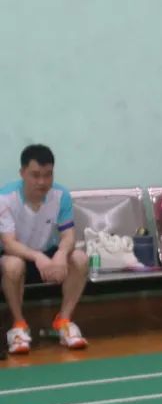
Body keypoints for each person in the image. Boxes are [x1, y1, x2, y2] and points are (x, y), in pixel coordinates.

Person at [0, 144, 89, 354]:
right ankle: (19, 326)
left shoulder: (61, 195)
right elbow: (9, 243)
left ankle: (64, 322)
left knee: (79, 258)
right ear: (22, 173)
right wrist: (37, 257)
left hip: (48, 253)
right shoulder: (5, 198)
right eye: (35, 175)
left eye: (48, 175)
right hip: (17, 254)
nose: (42, 182)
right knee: (12, 265)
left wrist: (60, 254)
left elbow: (68, 236)